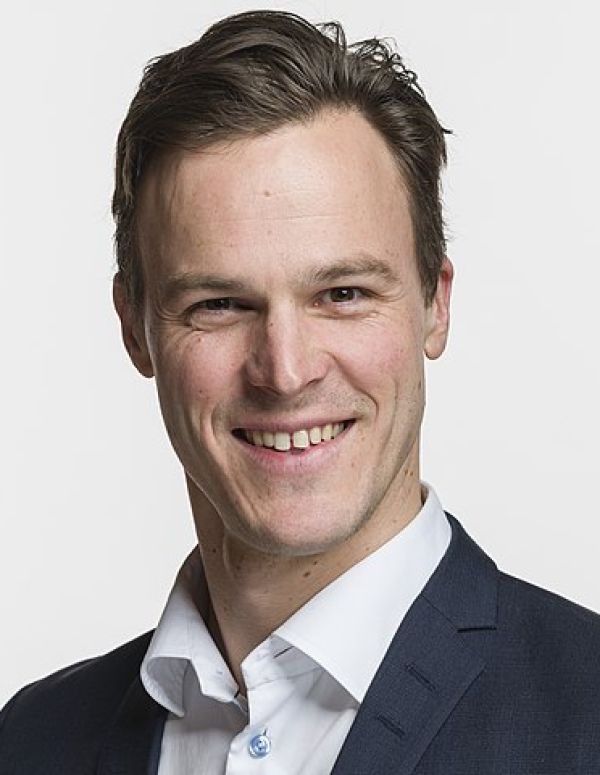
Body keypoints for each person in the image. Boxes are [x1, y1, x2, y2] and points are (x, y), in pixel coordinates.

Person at [1, 8, 600, 774]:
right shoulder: (29, 741)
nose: (285, 371)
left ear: (435, 303)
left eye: (343, 293)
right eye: (220, 304)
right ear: (134, 328)